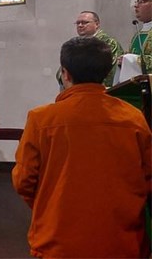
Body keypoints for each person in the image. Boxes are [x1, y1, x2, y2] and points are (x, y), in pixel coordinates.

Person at [12, 36, 151, 258]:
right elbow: (147, 177)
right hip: (122, 241)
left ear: (65, 73)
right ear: (107, 72)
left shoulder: (41, 119)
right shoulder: (133, 118)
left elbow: (24, 180)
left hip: (58, 240)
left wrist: (50, 205)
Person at [56, 11, 123, 88]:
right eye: (78, 23)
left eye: (84, 22)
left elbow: (110, 72)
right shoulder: (76, 44)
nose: (80, 25)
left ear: (97, 24)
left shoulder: (108, 43)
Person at [122, 0, 152, 75]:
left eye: (141, 1)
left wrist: (132, 60)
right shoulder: (138, 33)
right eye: (137, 1)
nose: (136, 5)